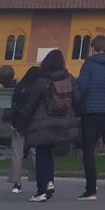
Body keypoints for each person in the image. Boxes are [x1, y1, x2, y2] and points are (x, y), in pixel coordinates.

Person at [20, 49, 77, 201]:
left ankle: (41, 190)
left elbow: (31, 102)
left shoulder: (42, 80)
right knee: (49, 153)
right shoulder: (69, 79)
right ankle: (49, 182)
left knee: (41, 153)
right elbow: (77, 99)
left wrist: (22, 120)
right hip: (62, 122)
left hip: (42, 122)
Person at [74, 34, 105, 200]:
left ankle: (91, 189)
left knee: (89, 151)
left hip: (90, 112)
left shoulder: (88, 64)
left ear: (93, 47)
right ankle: (104, 179)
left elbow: (81, 86)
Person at [7, 64, 40, 193]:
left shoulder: (19, 88)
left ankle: (16, 183)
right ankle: (40, 178)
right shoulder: (35, 89)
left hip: (16, 123)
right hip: (31, 123)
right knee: (35, 152)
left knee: (17, 153)